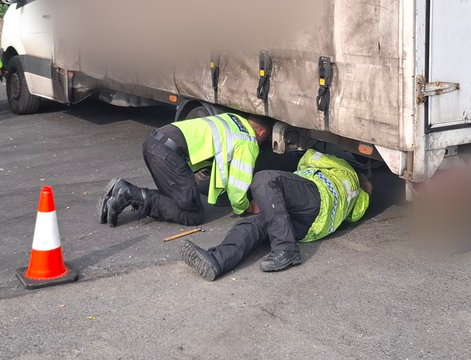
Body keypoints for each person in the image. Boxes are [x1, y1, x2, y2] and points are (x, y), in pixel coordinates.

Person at [180, 148, 371, 279]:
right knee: (258, 223)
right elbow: (353, 216)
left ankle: (286, 249)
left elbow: (309, 157)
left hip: (316, 197)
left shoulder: (345, 170)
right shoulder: (356, 204)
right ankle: (217, 260)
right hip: (311, 227)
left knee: (266, 179)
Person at [100, 112, 271, 227]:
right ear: (262, 133)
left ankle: (123, 193)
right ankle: (129, 194)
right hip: (168, 153)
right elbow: (237, 187)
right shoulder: (247, 140)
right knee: (193, 214)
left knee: (175, 198)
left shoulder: (232, 118)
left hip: (154, 142)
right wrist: (246, 207)